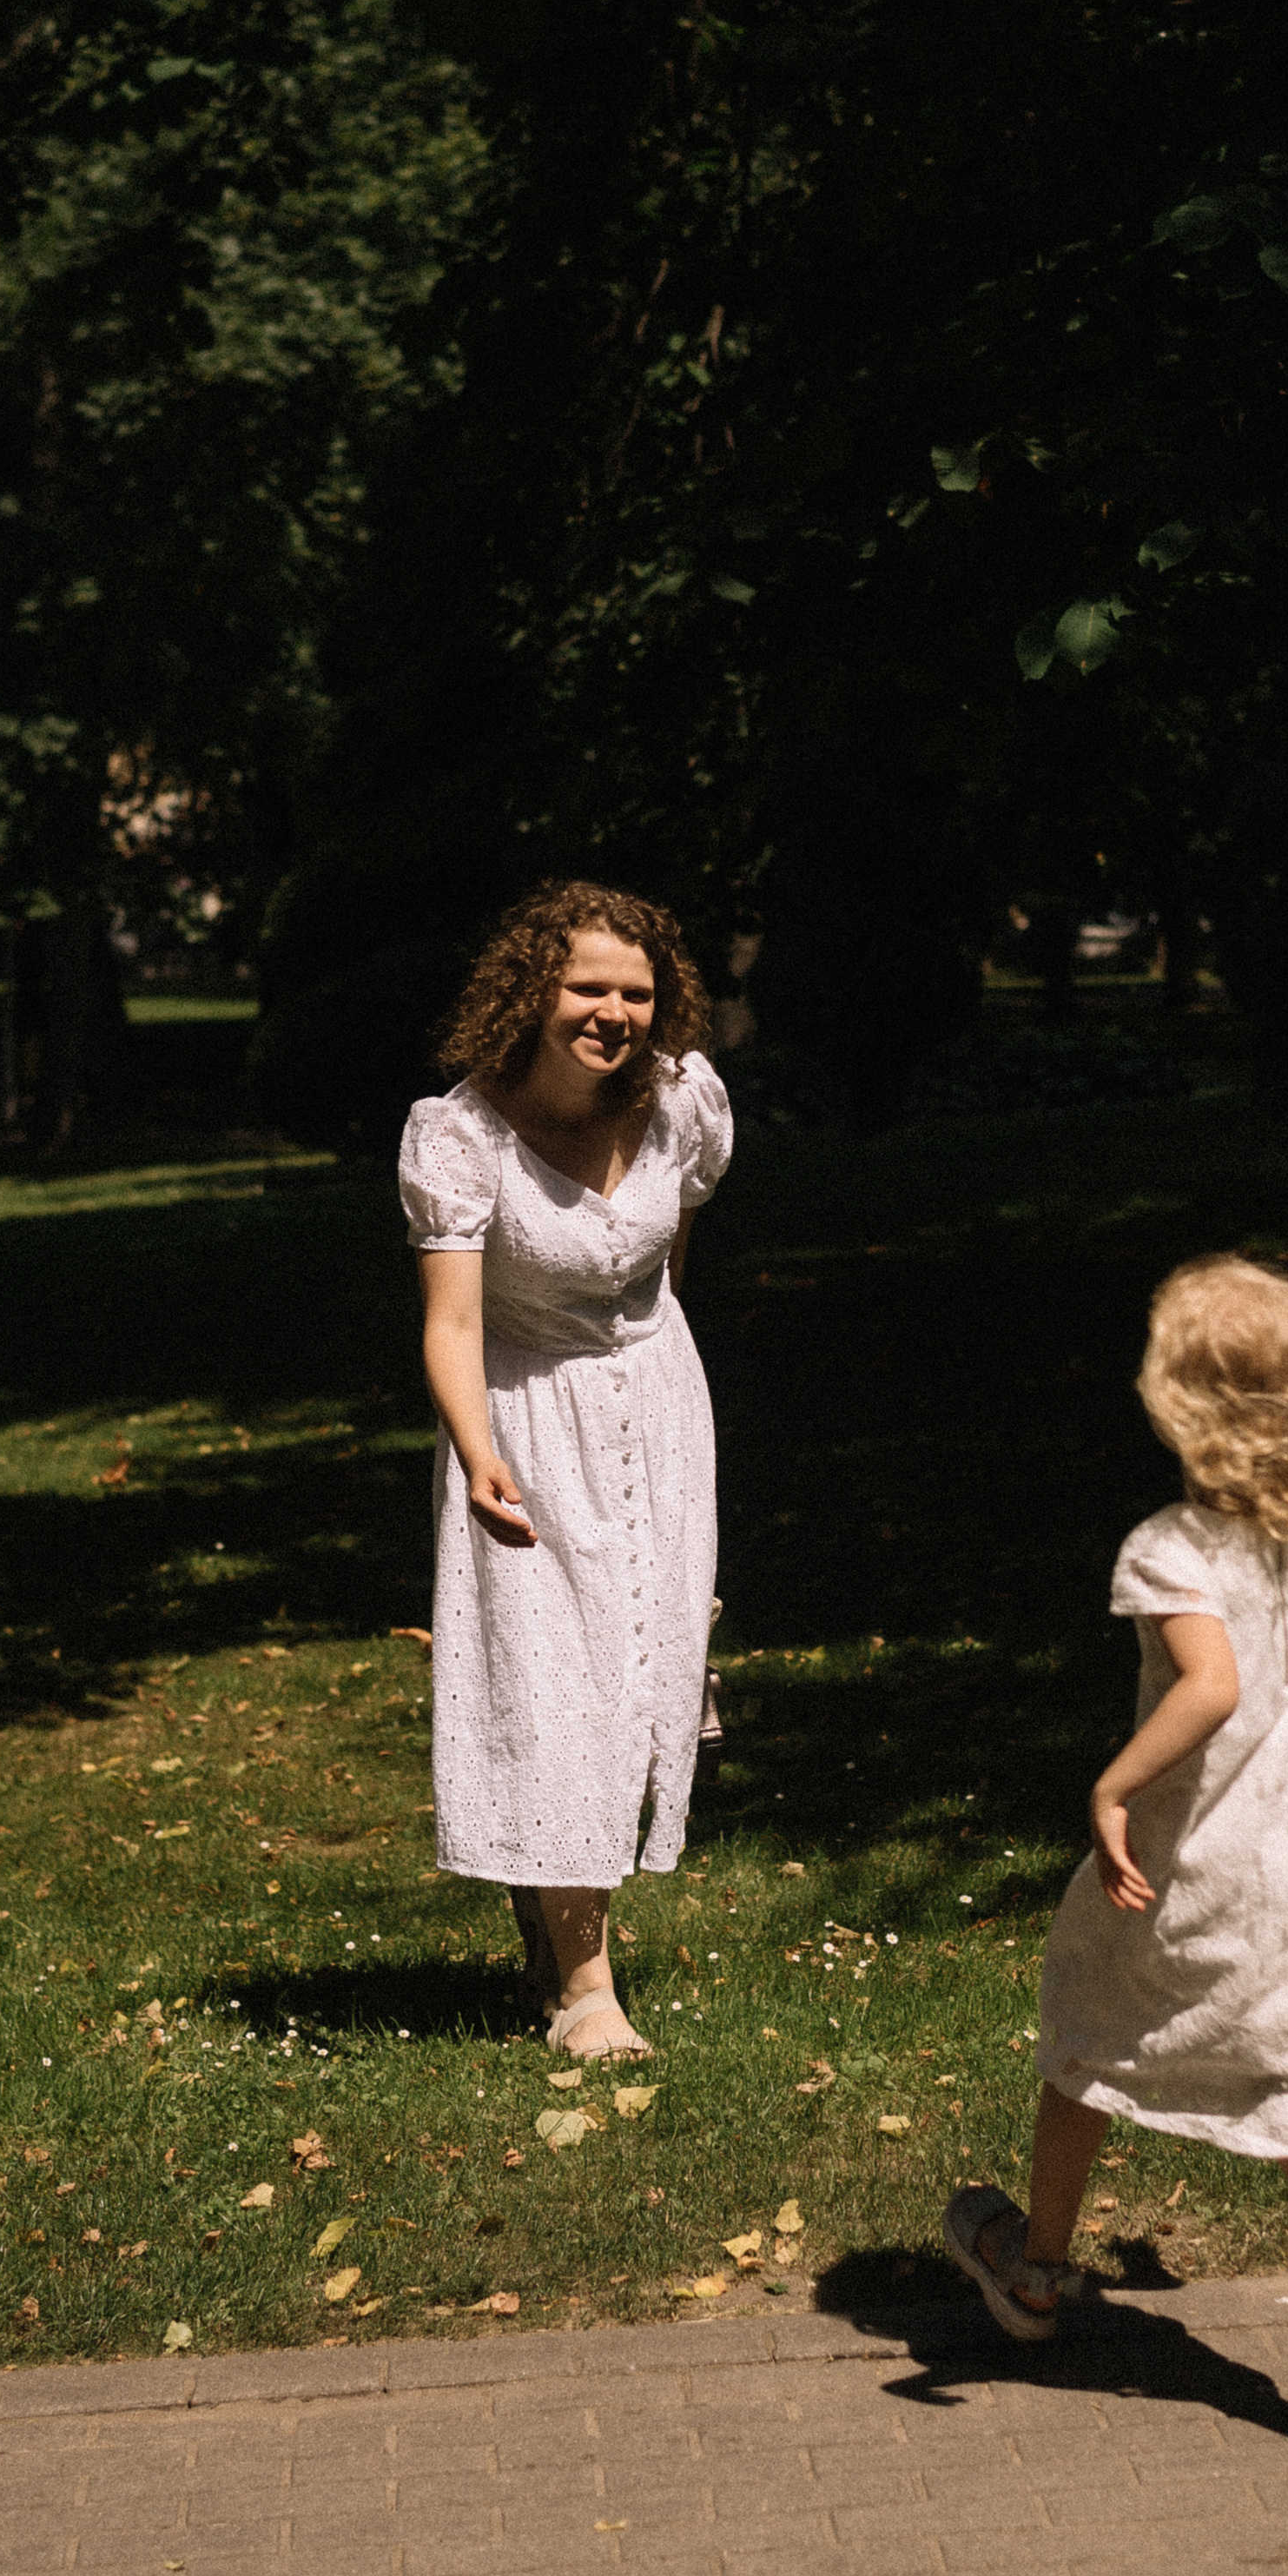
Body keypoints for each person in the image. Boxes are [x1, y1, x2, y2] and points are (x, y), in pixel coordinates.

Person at [941, 1252, 1288, 2465]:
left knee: (1086, 2039)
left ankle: (1036, 2272)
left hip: (1191, 1874)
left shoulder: (1172, 1547)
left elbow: (1211, 1684)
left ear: (1182, 1409)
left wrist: (1114, 1785)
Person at [398, 881, 731, 2059]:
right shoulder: (460, 1135)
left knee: (637, 1677)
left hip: (658, 1411)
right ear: (534, 991)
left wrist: (648, 1372)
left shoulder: (682, 1103)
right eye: (589, 987)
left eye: (636, 993)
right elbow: (451, 1324)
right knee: (553, 1689)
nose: (614, 1013)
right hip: (525, 1421)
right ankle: (587, 1992)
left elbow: (666, 1260)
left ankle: (553, 1929)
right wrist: (478, 1453)